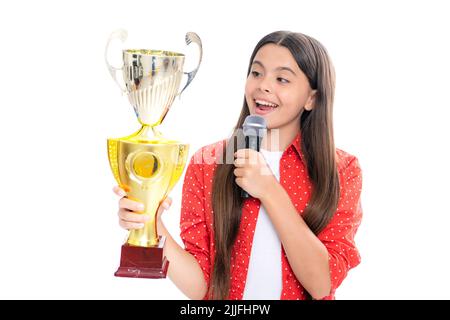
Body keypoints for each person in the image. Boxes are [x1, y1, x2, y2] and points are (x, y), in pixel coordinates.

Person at [113, 31, 363, 300]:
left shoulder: (342, 170)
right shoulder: (207, 163)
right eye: (256, 73)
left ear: (312, 98)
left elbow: (321, 284)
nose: (263, 86)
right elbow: (201, 287)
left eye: (282, 79)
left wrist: (269, 190)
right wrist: (151, 222)